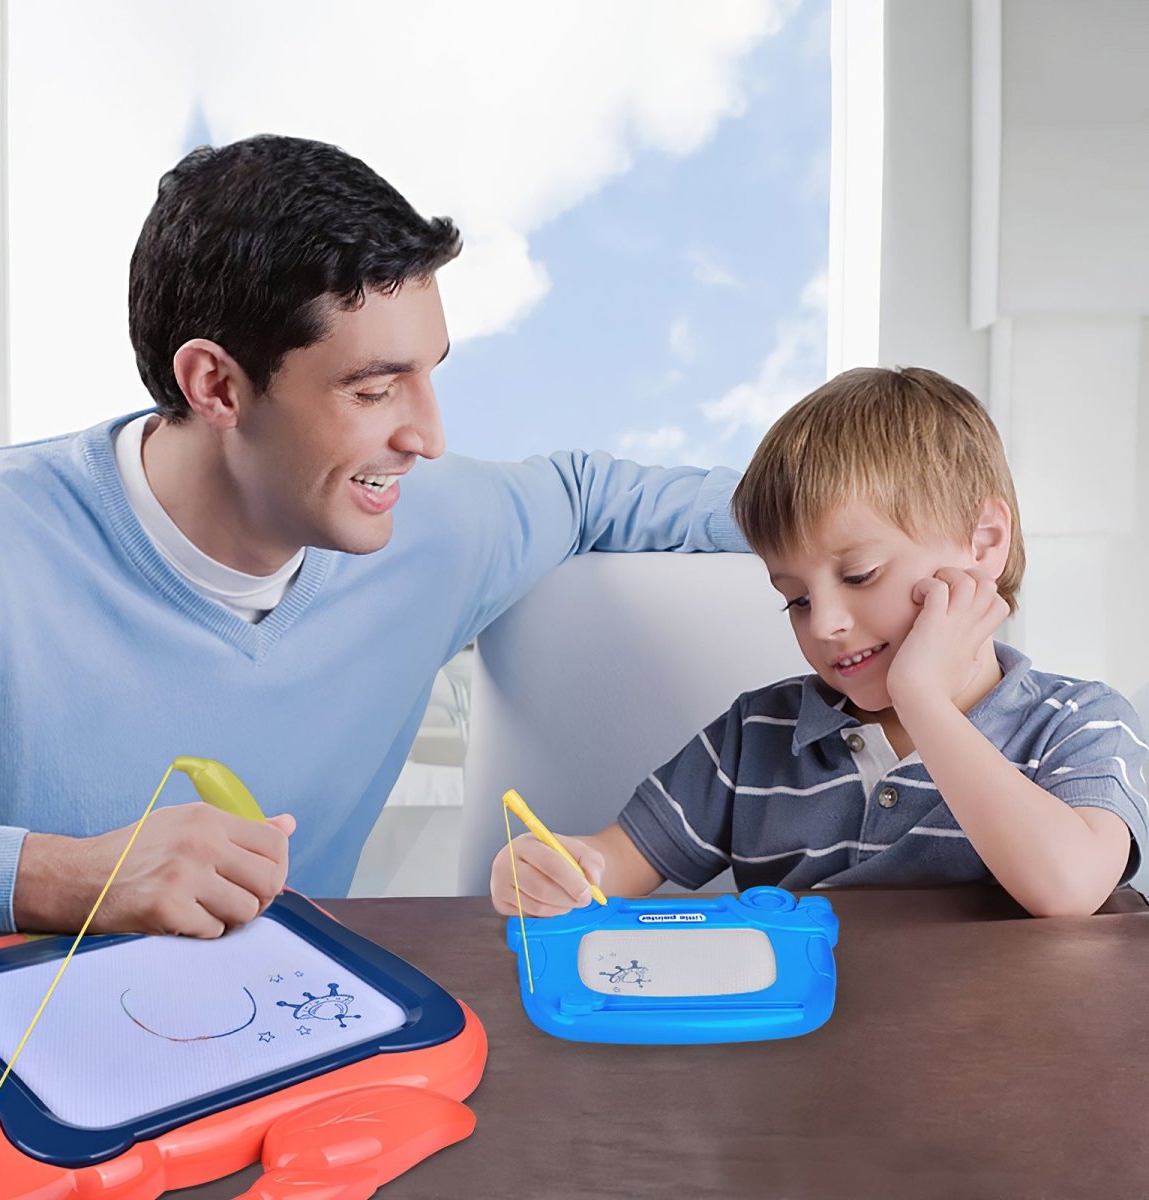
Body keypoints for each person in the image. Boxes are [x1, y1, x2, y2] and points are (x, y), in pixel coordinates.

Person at [0, 134, 750, 936]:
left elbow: (586, 493)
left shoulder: (432, 526)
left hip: (297, 1034)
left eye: (430, 372)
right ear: (216, 386)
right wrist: (59, 877)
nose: (429, 437)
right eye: (374, 390)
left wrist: (867, 522)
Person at [492, 367, 1148, 919]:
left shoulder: (1084, 723)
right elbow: (616, 864)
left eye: (860, 576)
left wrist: (921, 698)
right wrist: (566, 868)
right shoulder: (755, 736)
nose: (825, 623)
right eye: (796, 598)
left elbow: (1067, 888)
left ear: (983, 543)